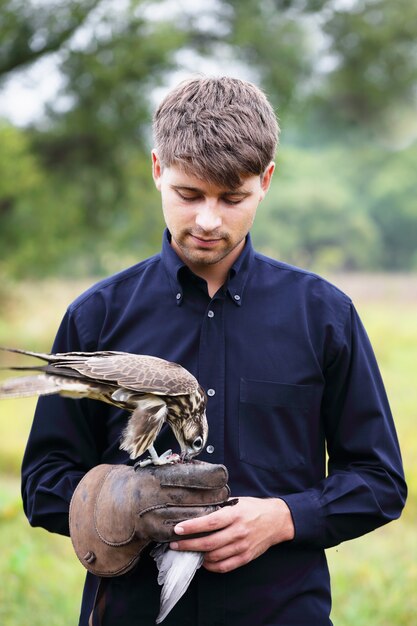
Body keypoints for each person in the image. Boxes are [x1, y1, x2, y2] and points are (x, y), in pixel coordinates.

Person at [21, 76, 407, 626]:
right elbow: (42, 482)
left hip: (279, 612)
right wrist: (129, 506)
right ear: (157, 169)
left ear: (266, 180)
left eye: (232, 198)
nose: (207, 219)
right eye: (188, 194)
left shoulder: (324, 315)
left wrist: (283, 517)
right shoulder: (97, 316)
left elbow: (379, 480)